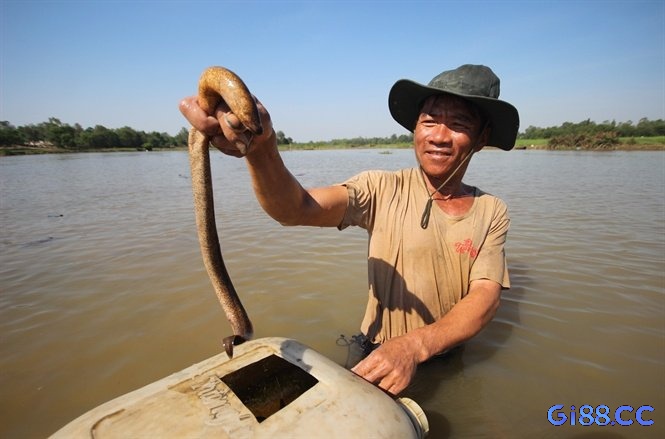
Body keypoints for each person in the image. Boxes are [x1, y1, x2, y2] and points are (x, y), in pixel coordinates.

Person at [179, 64, 520, 396]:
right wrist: (261, 146)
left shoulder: (491, 211)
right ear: (415, 129)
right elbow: (294, 208)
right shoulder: (382, 188)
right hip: (372, 349)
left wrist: (415, 346)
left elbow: (484, 299)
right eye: (429, 121)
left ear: (481, 138)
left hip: (442, 357)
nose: (439, 136)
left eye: (458, 123)